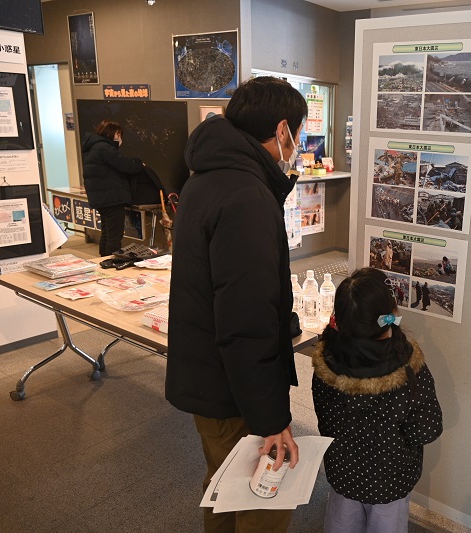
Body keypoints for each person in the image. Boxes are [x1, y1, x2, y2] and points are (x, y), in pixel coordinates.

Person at [165, 76, 307, 533]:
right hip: (233, 390)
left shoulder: (207, 178)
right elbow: (245, 324)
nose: (298, 145)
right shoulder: (246, 196)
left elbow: (227, 288)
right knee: (263, 499)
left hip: (208, 375)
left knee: (223, 486)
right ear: (282, 131)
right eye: (299, 135)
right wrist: (271, 419)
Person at [311, 268, 443, 533]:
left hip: (343, 473)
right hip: (390, 481)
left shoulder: (326, 365)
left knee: (341, 523)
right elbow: (426, 429)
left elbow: (324, 420)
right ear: (390, 316)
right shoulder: (409, 371)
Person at [81, 120, 144, 256]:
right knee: (114, 236)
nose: (120, 138)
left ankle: (103, 260)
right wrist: (139, 163)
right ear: (111, 133)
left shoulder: (95, 147)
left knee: (106, 233)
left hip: (101, 198)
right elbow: (126, 165)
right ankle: (111, 262)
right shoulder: (106, 148)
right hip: (112, 199)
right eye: (118, 134)